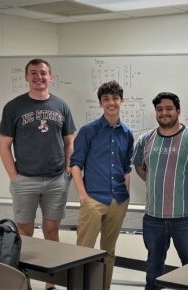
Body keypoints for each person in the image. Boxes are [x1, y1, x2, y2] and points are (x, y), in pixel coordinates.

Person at [0, 58, 75, 290]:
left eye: (43, 73)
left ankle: (50, 283)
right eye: (33, 73)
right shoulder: (13, 107)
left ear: (50, 77)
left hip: (55, 181)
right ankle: (26, 282)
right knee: (25, 234)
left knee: (52, 232)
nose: (38, 77)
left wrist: (68, 170)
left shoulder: (61, 106)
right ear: (26, 77)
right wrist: (15, 177)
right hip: (25, 181)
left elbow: (69, 141)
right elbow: (4, 146)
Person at [133, 92, 188, 290]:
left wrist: (186, 186)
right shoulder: (145, 139)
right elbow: (140, 166)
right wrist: (154, 181)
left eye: (169, 108)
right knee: (153, 271)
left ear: (178, 111)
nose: (164, 113)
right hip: (153, 219)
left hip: (185, 218)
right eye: (159, 109)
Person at [70, 80, 134, 289]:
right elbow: (76, 165)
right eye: (106, 99)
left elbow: (126, 168)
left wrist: (126, 196)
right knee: (83, 252)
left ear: (121, 101)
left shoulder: (127, 133)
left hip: (118, 201)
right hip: (93, 200)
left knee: (109, 253)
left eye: (115, 98)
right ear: (100, 103)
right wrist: (83, 197)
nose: (111, 103)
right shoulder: (89, 131)